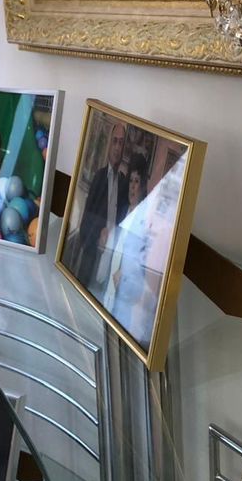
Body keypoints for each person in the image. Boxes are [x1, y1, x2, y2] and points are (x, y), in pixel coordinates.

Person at [105, 154, 160, 349]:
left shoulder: (146, 221)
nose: (132, 187)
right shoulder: (123, 210)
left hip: (127, 302)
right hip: (111, 292)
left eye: (137, 182)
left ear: (144, 185)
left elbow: (144, 268)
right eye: (130, 181)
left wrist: (125, 278)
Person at [74, 121, 128, 289]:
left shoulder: (124, 183)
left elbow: (124, 219)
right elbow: (86, 218)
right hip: (93, 250)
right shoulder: (99, 176)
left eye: (121, 143)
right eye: (115, 141)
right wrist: (99, 233)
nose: (117, 147)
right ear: (109, 144)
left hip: (112, 255)